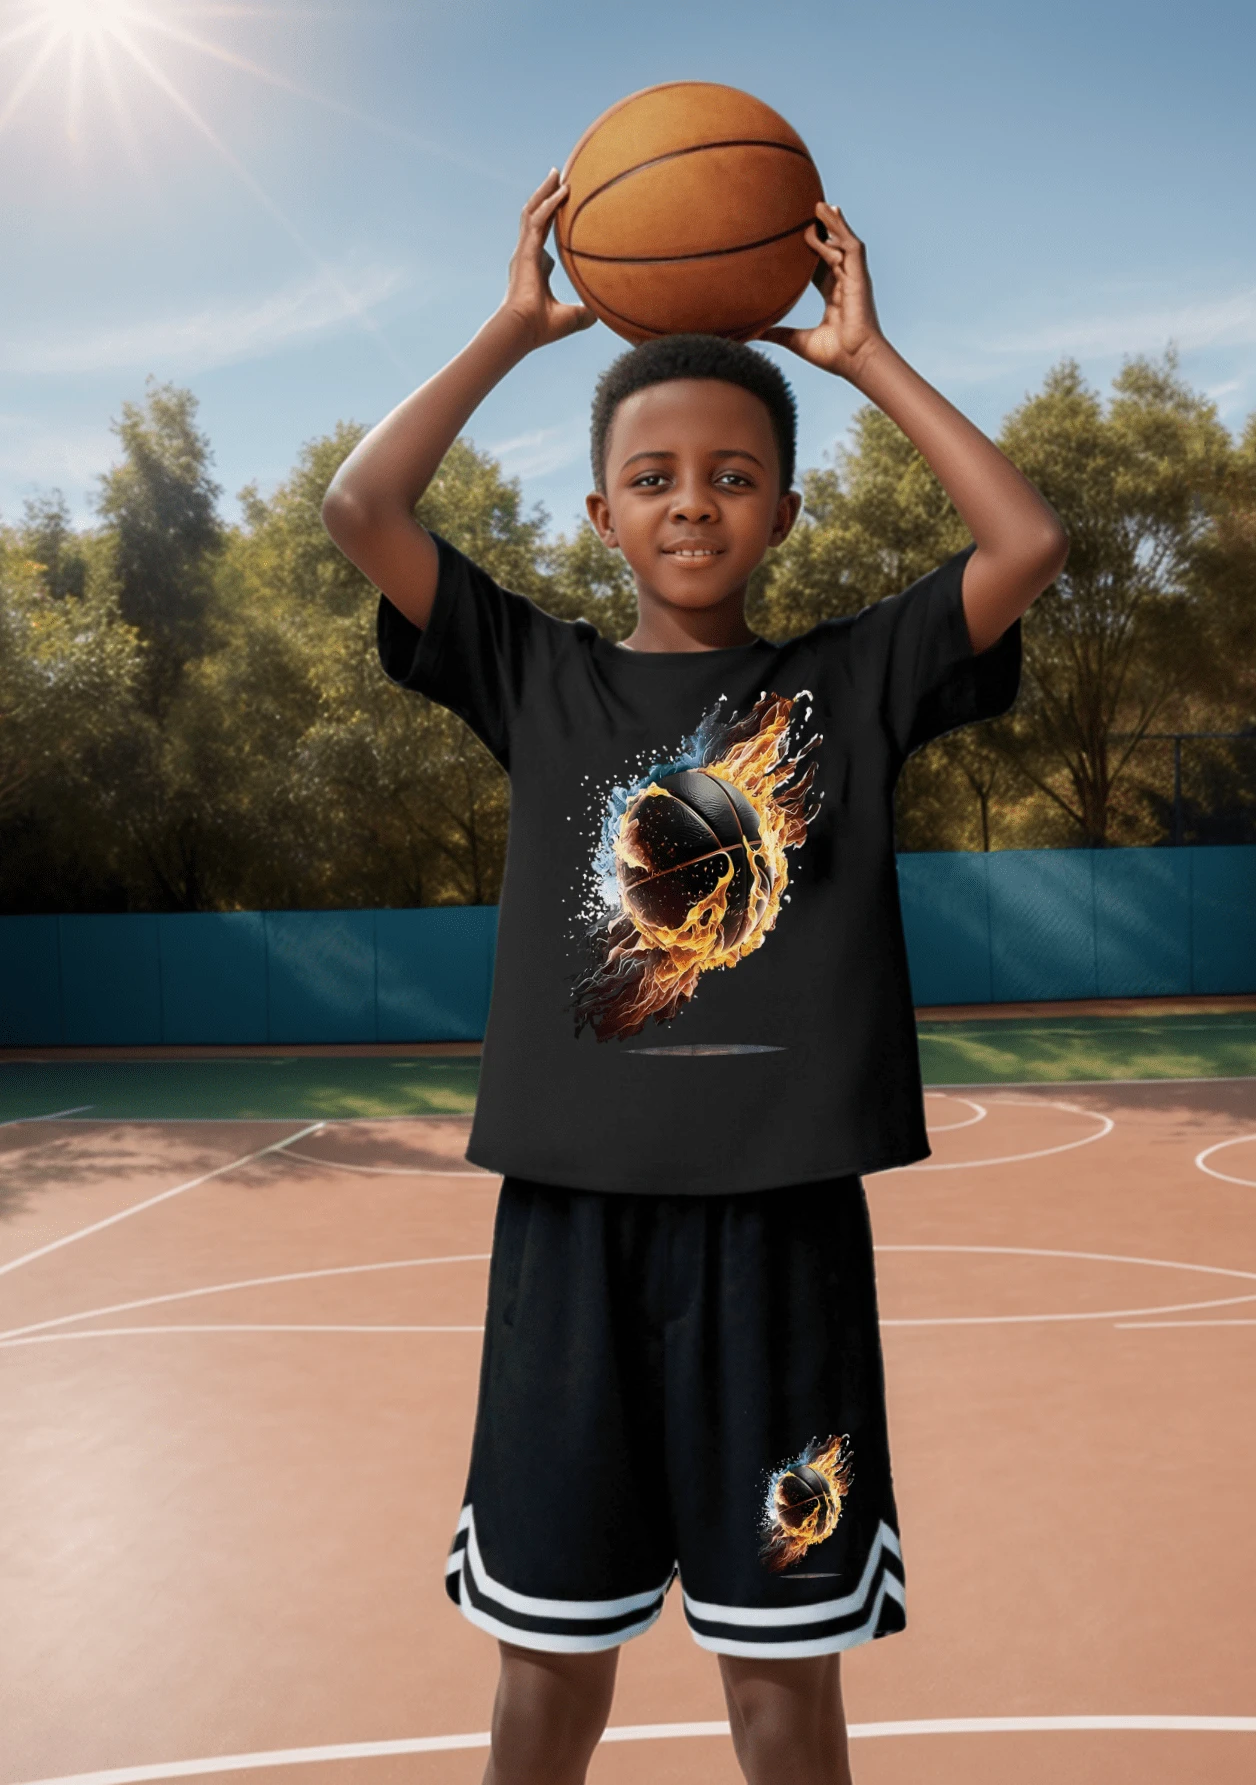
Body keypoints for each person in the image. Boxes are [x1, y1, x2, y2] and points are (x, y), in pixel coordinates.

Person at [322, 169, 1068, 1785]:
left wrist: (865, 360)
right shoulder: (537, 675)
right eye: (651, 477)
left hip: (782, 1240)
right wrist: (514, 329)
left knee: (782, 1681)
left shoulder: (853, 681)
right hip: (572, 1240)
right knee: (547, 1664)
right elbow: (361, 508)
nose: (692, 504)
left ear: (785, 512)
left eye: (736, 477)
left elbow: (1027, 539)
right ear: (602, 515)